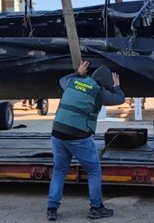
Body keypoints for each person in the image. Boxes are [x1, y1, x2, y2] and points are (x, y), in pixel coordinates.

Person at [47, 60, 125, 221]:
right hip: (77, 136)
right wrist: (116, 86)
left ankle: (52, 209)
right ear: (105, 84)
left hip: (57, 132)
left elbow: (61, 80)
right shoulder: (99, 92)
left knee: (59, 171)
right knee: (93, 171)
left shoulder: (73, 82)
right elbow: (119, 99)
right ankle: (96, 208)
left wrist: (78, 73)